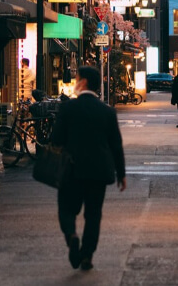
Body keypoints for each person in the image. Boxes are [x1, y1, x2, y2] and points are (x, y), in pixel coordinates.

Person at [51, 66, 126, 271]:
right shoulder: (107, 111)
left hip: (72, 169)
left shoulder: (68, 108)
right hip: (99, 172)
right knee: (93, 214)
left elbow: (55, 139)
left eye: (76, 79)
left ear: (83, 83)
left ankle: (72, 236)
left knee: (66, 209)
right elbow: (116, 145)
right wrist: (121, 174)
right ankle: (87, 255)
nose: (74, 82)